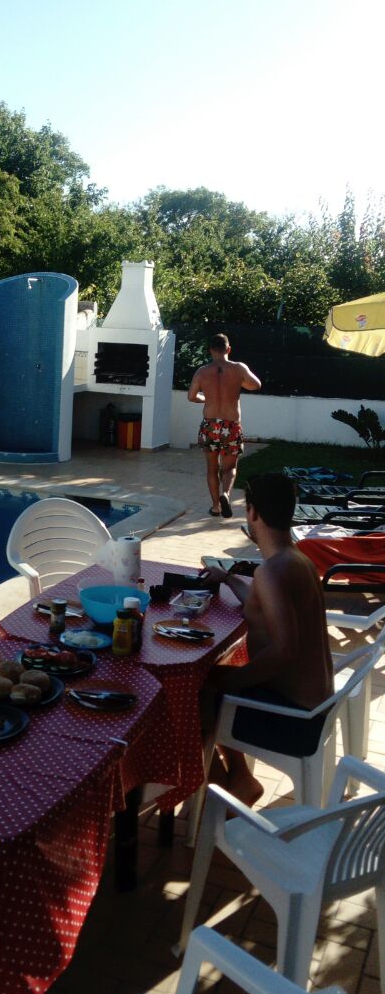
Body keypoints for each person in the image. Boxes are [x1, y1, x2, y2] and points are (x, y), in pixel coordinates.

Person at [200, 472, 333, 805]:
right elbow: (262, 603)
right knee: (209, 682)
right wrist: (228, 578)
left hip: (295, 722)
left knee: (194, 694)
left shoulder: (272, 571)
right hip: (314, 709)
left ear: (253, 512)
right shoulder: (296, 560)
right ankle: (239, 778)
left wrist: (228, 683)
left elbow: (284, 651)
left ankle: (220, 786)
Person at [188, 334, 261, 517]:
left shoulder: (202, 372)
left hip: (210, 425)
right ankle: (226, 494)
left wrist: (206, 398)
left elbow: (191, 396)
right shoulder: (239, 368)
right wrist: (239, 382)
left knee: (212, 469)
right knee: (230, 468)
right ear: (228, 349)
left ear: (210, 350)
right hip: (231, 426)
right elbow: (256, 385)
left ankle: (215, 507)